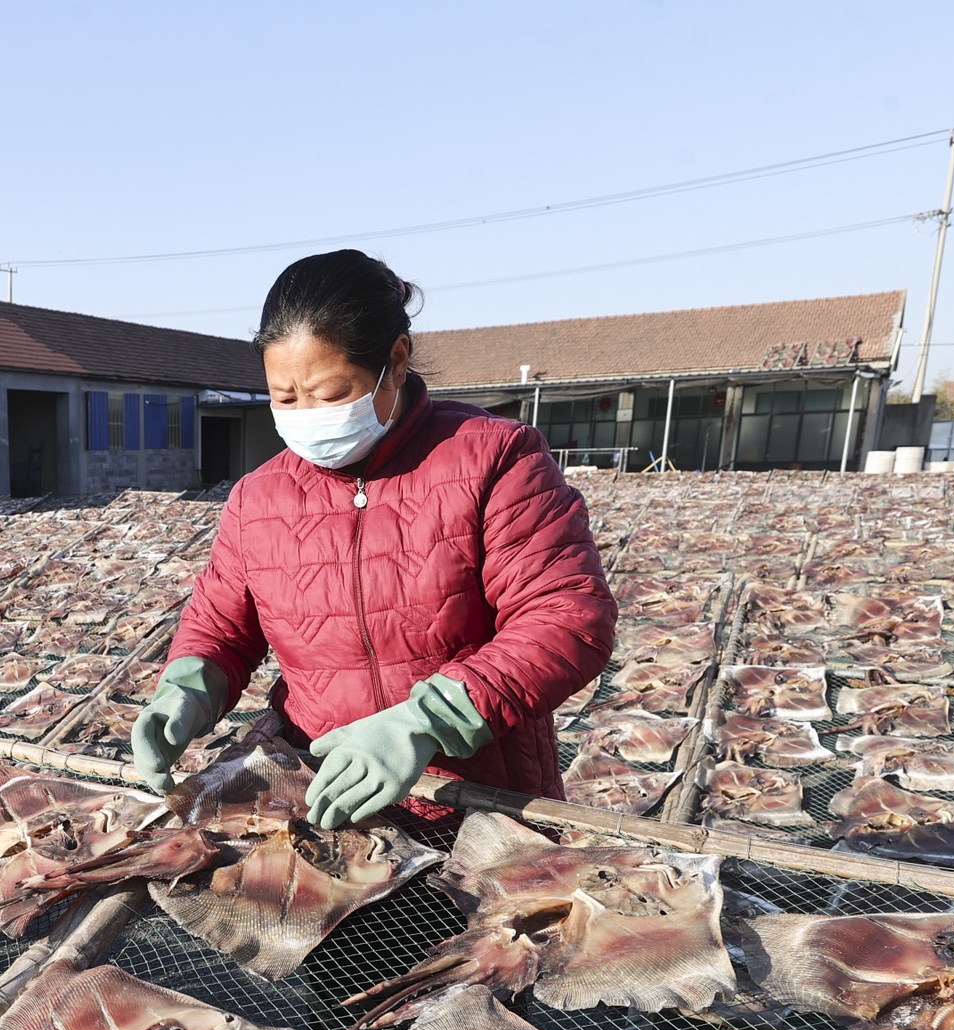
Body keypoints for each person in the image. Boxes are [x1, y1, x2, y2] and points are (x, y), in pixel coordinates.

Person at [129, 251, 614, 827]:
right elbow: (220, 627)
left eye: (331, 394)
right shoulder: (260, 497)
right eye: (285, 398)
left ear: (397, 360)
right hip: (323, 792)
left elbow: (567, 617)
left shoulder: (493, 458)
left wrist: (424, 722)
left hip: (479, 801)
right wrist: (186, 690)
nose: (306, 414)